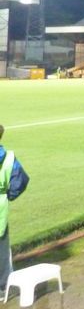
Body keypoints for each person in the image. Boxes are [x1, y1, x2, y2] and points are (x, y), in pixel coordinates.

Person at [0, 125, 30, 292]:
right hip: (0, 208)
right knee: (2, 248)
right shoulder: (9, 157)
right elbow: (20, 181)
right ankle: (3, 285)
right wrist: (7, 194)